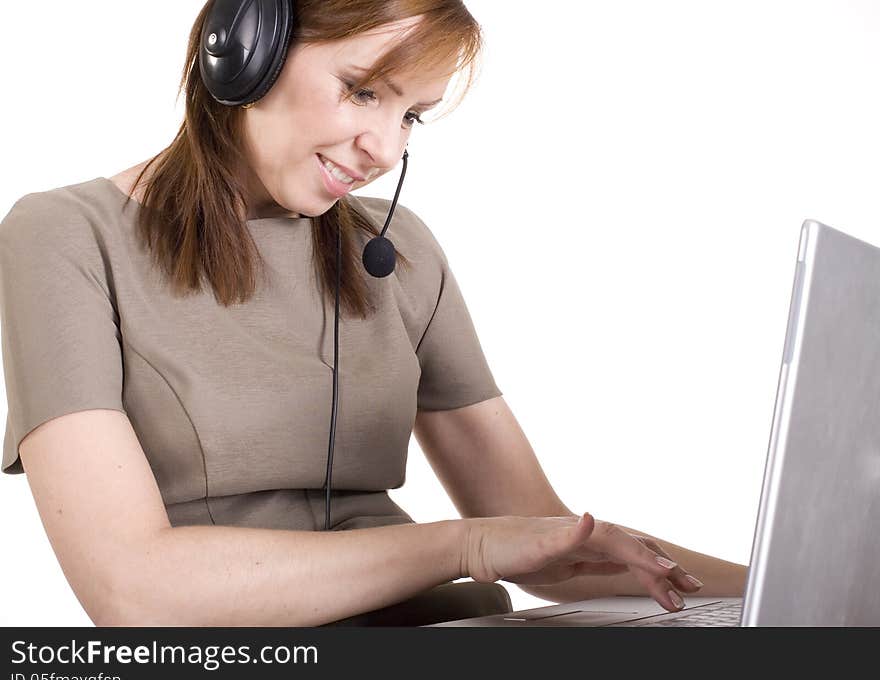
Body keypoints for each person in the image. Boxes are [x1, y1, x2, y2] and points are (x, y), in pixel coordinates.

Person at [0, 0, 746, 627]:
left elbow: (552, 544)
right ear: (247, 47)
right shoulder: (63, 238)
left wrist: (788, 589)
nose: (384, 148)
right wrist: (465, 547)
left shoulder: (398, 249)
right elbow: (133, 590)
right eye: (362, 91)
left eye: (412, 116)